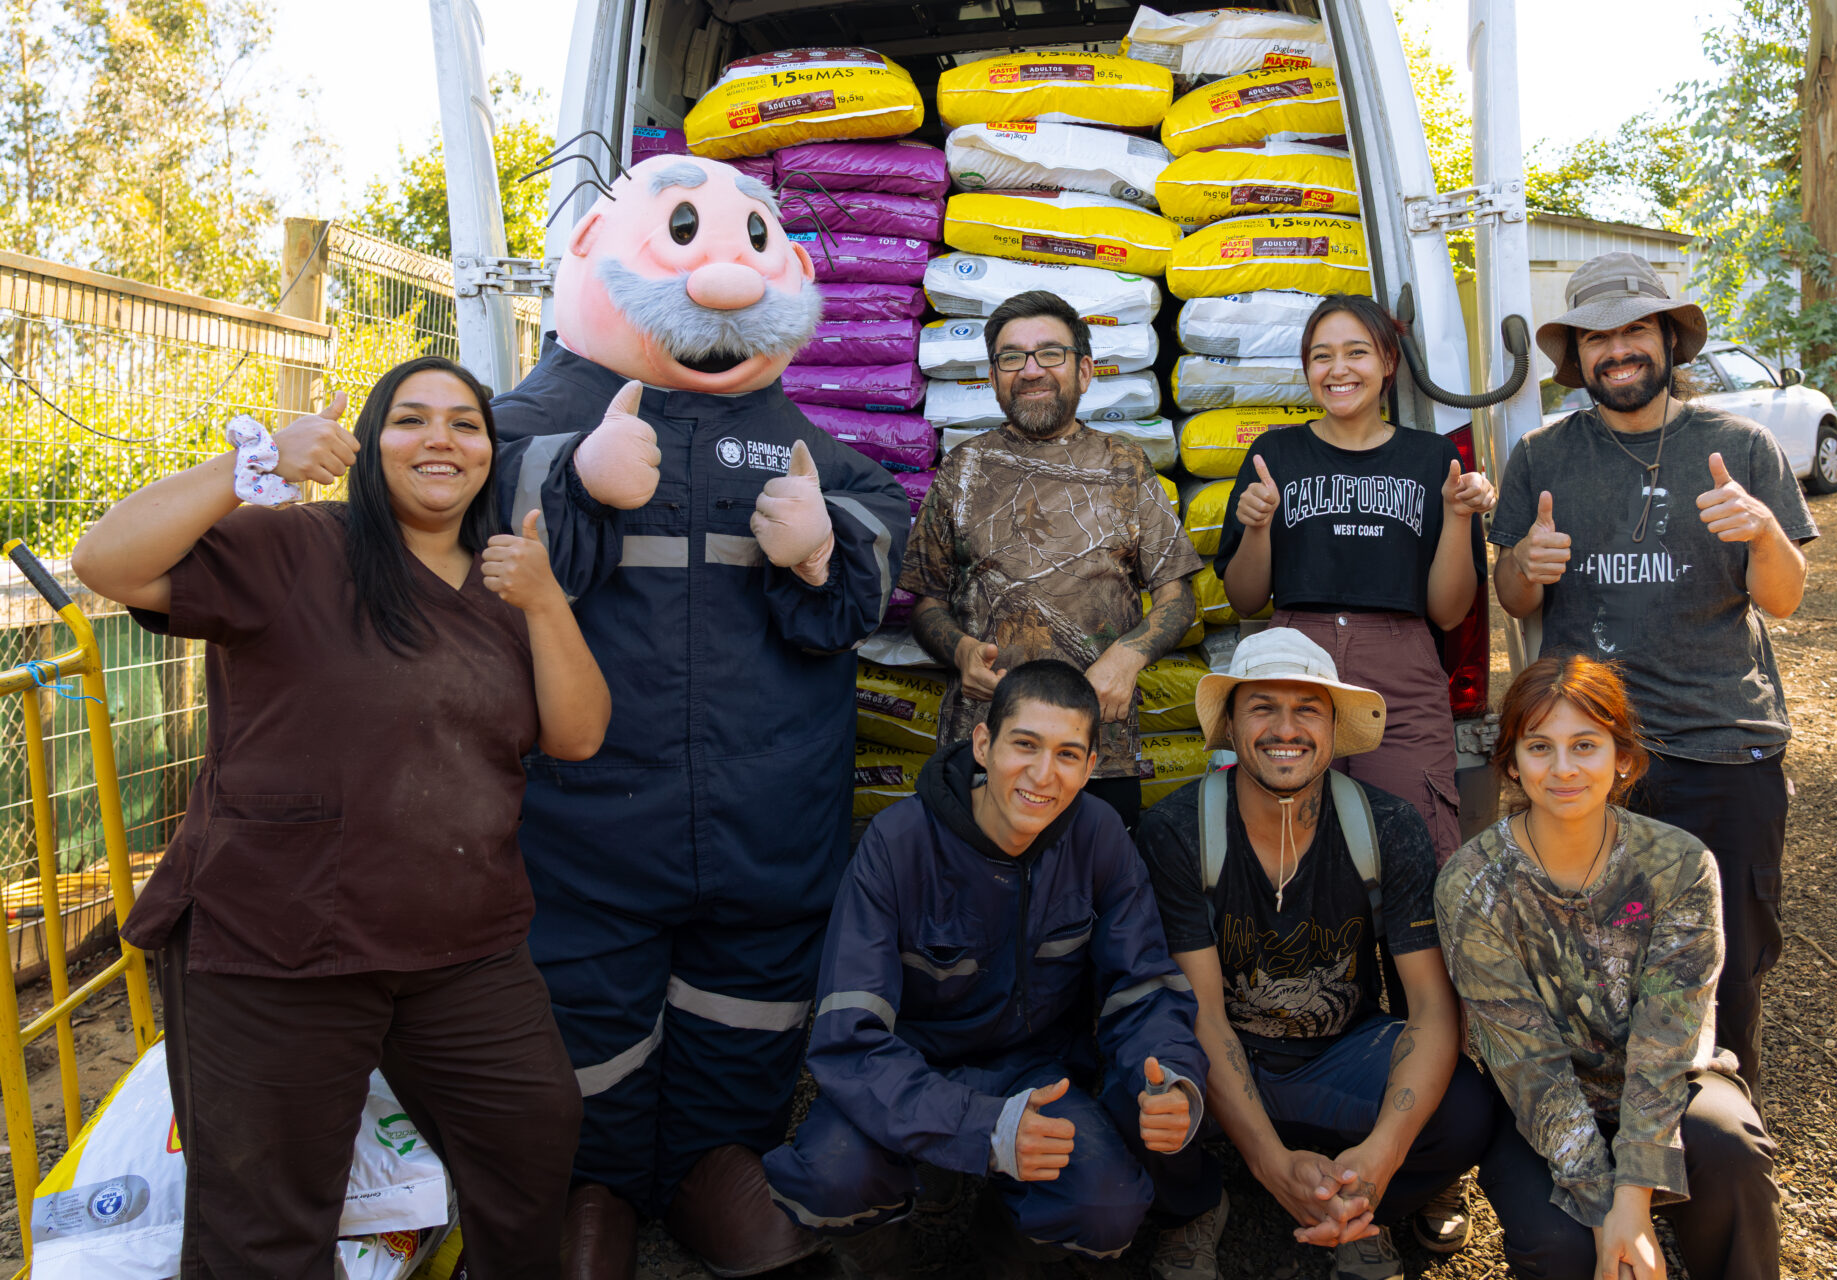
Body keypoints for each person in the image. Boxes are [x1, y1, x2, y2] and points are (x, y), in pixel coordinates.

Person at [69, 355, 609, 1278]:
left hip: (463, 944)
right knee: (267, 1219)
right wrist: (257, 467)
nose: (441, 438)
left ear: (489, 452)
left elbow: (577, 736)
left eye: (466, 423)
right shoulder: (296, 547)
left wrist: (548, 599)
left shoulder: (506, 583)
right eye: (411, 419)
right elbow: (103, 562)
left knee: (531, 1138)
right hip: (279, 939)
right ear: (366, 445)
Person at [487, 154, 911, 1278]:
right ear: (588, 254)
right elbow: (447, 498)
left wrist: (826, 543)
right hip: (585, 823)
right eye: (682, 234)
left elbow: (876, 525)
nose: (722, 275)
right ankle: (596, 1189)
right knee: (585, 1013)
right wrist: (564, 476)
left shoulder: (801, 441)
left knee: (750, 1008)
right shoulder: (521, 424)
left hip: (764, 820)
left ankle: (717, 1163)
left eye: (746, 241)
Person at [1490, 252, 1817, 1092]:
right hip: (1590, 755)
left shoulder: (1739, 446)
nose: (1618, 350)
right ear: (1578, 356)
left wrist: (1761, 535)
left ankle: (1721, 1133)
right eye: (1598, 337)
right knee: (1598, 960)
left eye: (1635, 329)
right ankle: (1621, 1145)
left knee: (1729, 960)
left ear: (1670, 339)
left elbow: (1782, 600)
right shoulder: (1540, 457)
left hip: (1722, 745)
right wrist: (1528, 560)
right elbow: (1510, 594)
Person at [763, 661, 1209, 1277]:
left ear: (1090, 767)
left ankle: (999, 1251)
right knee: (833, 1175)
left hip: (1040, 1075)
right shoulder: (897, 844)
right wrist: (982, 1127)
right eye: (1024, 744)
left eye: (1068, 755)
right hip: (911, 1070)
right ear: (982, 743)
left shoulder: (1100, 837)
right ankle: (894, 1266)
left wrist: (1172, 1079)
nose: (1042, 775)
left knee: (1106, 1205)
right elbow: (848, 1042)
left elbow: (1144, 988)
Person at [1131, 629, 1497, 1280]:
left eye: (1307, 709)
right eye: (1263, 706)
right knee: (1141, 1092)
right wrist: (1273, 1164)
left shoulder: (1388, 826)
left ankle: (1361, 1206)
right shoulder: (1178, 830)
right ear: (1232, 721)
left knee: (1467, 1108)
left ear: (1332, 727)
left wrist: (1380, 1159)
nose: (1285, 728)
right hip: (1222, 1063)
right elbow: (1204, 1017)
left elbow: (1432, 1009)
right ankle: (1197, 1206)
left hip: (1340, 1057)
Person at [1437, 654, 1781, 1280]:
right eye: (1539, 746)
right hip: (1539, 1105)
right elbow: (1526, 1061)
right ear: (1511, 762)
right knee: (1559, 1246)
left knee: (1732, 1148)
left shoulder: (1677, 864)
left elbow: (1667, 1034)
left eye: (1586, 745)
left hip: (1668, 1085)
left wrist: (1634, 1198)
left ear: (1622, 758)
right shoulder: (1472, 882)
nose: (1563, 768)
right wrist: (1608, 1218)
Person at [901, 289, 1200, 831]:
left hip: (1096, 755)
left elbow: (1179, 598)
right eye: (1011, 357)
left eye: (1050, 354)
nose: (1030, 370)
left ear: (1084, 371)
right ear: (993, 376)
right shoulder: (964, 468)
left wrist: (1127, 657)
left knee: (1092, 902)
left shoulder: (1125, 465)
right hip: (983, 748)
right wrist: (962, 650)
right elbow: (926, 602)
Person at [1217, 292, 1496, 865]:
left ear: (1388, 362)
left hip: (1403, 665)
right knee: (1293, 847)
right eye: (1321, 356)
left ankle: (1409, 958)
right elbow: (1246, 598)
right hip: (1293, 660)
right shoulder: (1276, 454)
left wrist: (1459, 516)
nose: (1338, 369)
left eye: (1356, 352)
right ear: (1306, 369)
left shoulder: (1432, 458)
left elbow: (1447, 613)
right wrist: (1258, 528)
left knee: (1417, 845)